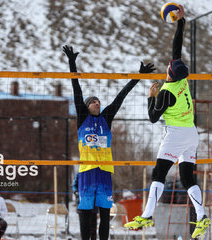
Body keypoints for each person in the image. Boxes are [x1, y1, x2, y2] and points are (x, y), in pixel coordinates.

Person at [124, 5, 211, 239]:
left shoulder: (166, 92)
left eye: (167, 68)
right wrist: (180, 22)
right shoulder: (182, 80)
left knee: (158, 174)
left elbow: (153, 118)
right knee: (187, 178)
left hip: (176, 135)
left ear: (170, 73)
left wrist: (150, 98)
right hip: (192, 134)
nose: (166, 66)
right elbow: (177, 47)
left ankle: (147, 214)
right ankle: (202, 216)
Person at [63, 45, 155, 240]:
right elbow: (76, 89)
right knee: (86, 214)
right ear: (87, 107)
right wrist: (72, 63)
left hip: (105, 172)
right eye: (93, 102)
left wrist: (138, 76)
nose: (97, 103)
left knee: (105, 214)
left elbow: (121, 96)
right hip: (87, 172)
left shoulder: (106, 118)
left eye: (98, 101)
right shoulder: (82, 117)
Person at [72, 173, 97, 240]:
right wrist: (76, 192)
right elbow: (74, 186)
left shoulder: (94, 174)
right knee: (84, 227)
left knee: (92, 228)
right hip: (82, 203)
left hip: (93, 204)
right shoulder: (79, 174)